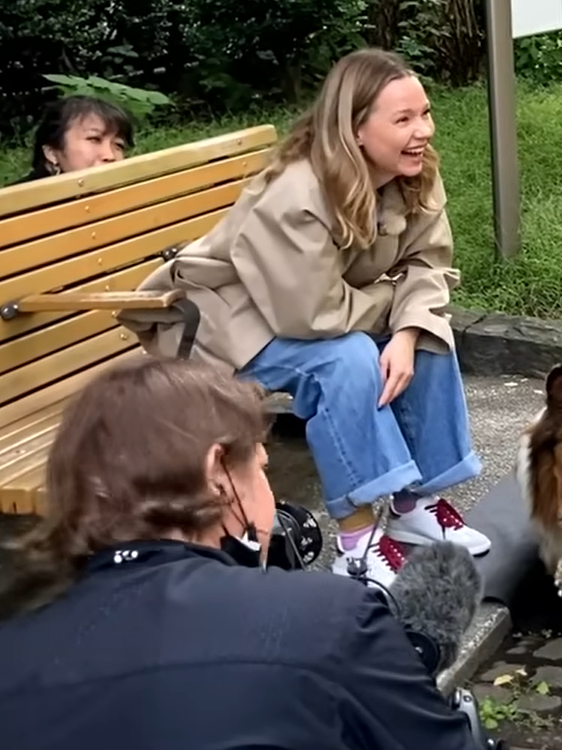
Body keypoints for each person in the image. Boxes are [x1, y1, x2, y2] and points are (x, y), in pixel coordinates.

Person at [118, 47, 490, 588]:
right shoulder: (298, 192)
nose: (423, 131)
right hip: (221, 322)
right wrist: (394, 300)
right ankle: (357, 545)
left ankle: (415, 505)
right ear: (356, 129)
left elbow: (428, 266)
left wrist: (408, 330)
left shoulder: (414, 175)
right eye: (403, 119)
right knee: (347, 360)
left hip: (311, 310)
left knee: (428, 338)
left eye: (425, 113)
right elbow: (312, 315)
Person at [0, 356, 485, 750]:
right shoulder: (327, 618)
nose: (270, 497)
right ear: (217, 472)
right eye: (261, 468)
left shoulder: (15, 639)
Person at [6, 95, 134, 185]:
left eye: (118, 145)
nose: (110, 156)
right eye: (94, 139)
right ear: (52, 153)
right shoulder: (12, 208)